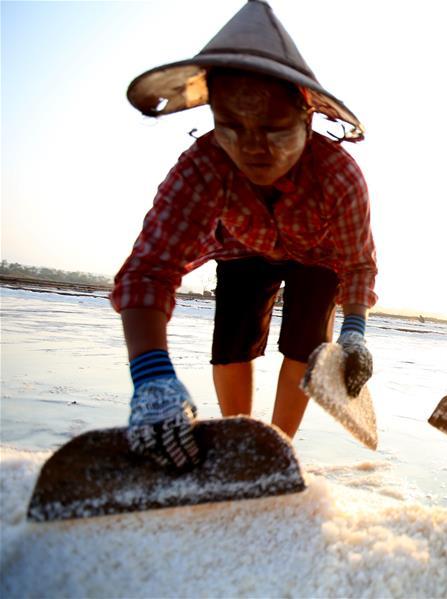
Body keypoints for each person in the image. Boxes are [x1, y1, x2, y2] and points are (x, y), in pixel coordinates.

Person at [111, 0, 377, 471]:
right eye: (232, 127)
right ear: (213, 116)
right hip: (240, 246)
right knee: (232, 338)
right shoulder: (203, 165)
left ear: (306, 119)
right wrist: (150, 375)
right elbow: (148, 272)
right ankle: (240, 438)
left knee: (306, 343)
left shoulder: (338, 174)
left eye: (274, 129)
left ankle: (277, 447)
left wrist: (354, 333)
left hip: (318, 256)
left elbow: (357, 264)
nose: (253, 147)